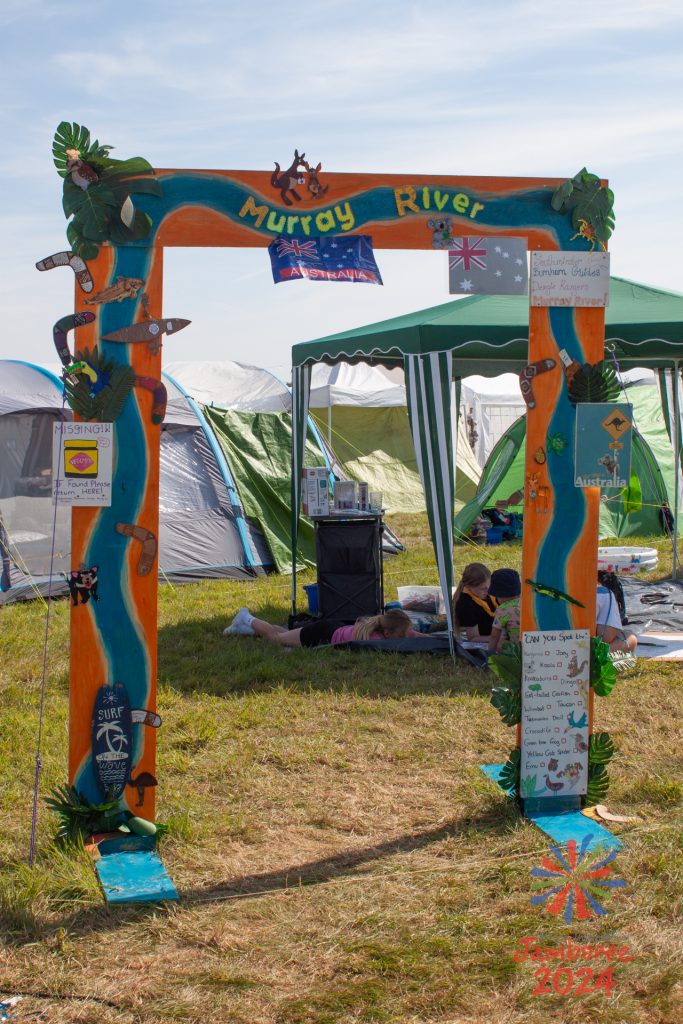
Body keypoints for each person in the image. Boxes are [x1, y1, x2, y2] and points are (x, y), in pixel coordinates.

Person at [223, 606, 418, 648]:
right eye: (402, 635)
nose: (405, 637)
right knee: (277, 638)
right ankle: (247, 618)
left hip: (331, 627)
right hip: (320, 634)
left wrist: (429, 639)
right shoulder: (376, 640)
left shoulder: (380, 627)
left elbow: (409, 633)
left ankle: (246, 629)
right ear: (387, 633)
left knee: (285, 632)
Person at [453, 562, 497, 640]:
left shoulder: (487, 592)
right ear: (469, 587)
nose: (488, 591)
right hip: (487, 636)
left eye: (489, 586)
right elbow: (473, 638)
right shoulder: (466, 604)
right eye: (483, 588)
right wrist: (498, 639)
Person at [596, 573, 637, 654]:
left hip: (566, 649)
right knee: (631, 639)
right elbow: (607, 637)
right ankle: (594, 659)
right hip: (579, 651)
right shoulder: (603, 594)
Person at [487, 569, 522, 653]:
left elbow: (494, 636)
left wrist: (490, 653)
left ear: (499, 595)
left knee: (500, 642)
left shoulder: (503, 609)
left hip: (515, 652)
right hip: (534, 646)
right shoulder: (528, 603)